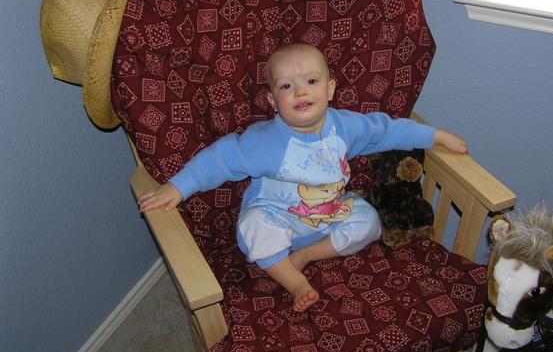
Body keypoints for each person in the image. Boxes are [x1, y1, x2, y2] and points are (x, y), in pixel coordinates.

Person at [138, 43, 468, 311]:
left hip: (330, 213)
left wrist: (435, 136)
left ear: (330, 88)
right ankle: (295, 281)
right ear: (272, 100)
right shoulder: (264, 141)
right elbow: (222, 158)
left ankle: (305, 256)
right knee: (253, 226)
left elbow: (385, 131)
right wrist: (178, 186)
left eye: (311, 81)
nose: (300, 92)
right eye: (286, 86)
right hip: (278, 216)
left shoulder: (345, 126)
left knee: (369, 222)